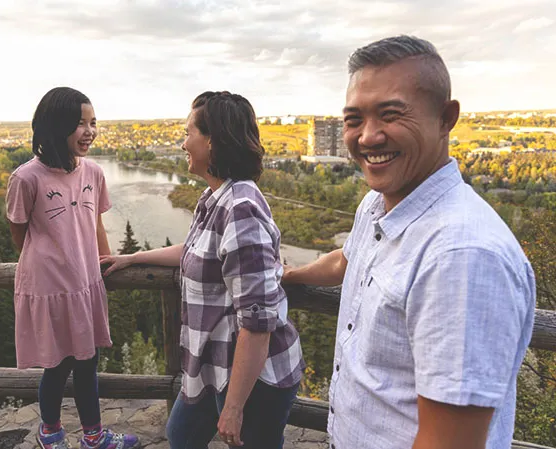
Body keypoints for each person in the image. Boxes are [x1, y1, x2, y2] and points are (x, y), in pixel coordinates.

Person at [283, 36, 535, 449]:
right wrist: (291, 274)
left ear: (445, 118)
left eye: (391, 114)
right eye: (353, 119)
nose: (368, 137)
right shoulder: (377, 205)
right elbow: (350, 260)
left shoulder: (461, 257)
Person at [100, 91, 305, 449]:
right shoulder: (214, 198)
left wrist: (234, 407)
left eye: (188, 133)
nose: (183, 143)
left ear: (213, 141)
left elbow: (258, 322)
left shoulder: (242, 209)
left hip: (254, 379)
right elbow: (197, 250)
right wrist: (133, 258)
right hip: (212, 366)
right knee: (181, 435)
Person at [6, 87, 140, 449]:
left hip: (86, 282)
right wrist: (52, 260)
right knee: (58, 364)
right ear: (55, 126)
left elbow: (95, 224)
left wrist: (105, 261)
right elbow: (20, 234)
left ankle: (93, 436)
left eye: (93, 122)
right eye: (79, 123)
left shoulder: (93, 173)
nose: (89, 131)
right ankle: (50, 431)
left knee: (88, 360)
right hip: (50, 286)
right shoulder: (26, 178)